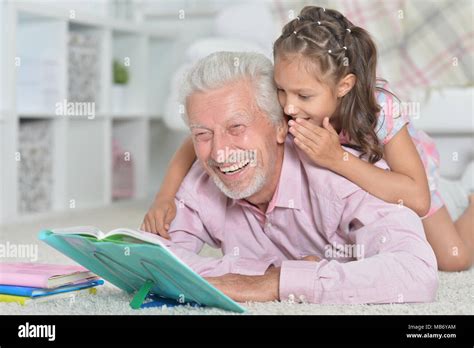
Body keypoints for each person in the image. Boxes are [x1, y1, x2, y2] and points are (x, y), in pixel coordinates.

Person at [142, 6, 473, 272]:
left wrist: (336, 158)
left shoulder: (381, 112)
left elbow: (415, 196)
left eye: (302, 95)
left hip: (401, 175)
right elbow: (201, 138)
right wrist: (164, 197)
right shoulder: (292, 103)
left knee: (453, 259)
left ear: (343, 86)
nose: (288, 105)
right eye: (283, 91)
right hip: (358, 184)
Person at [147, 50, 438, 304]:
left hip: (420, 175)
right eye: (203, 134)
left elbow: (416, 271)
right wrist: (269, 272)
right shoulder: (204, 178)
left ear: (281, 126)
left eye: (237, 127)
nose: (220, 152)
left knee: (453, 255)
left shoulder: (341, 176)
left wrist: (276, 283)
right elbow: (153, 263)